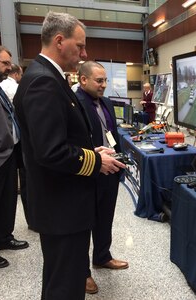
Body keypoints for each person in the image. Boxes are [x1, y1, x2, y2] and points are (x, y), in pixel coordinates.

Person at [13, 11, 125, 300]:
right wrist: (96, 161)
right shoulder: (43, 82)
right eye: (80, 46)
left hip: (61, 202)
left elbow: (61, 138)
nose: (84, 53)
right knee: (66, 285)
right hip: (62, 205)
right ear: (60, 41)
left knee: (63, 278)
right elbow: (51, 151)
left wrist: (90, 150)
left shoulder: (47, 75)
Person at [75, 61, 129, 294]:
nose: (104, 85)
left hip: (110, 169)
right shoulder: (74, 103)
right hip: (88, 171)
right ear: (83, 79)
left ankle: (102, 256)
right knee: (84, 222)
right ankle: (82, 273)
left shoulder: (106, 102)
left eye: (105, 80)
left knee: (105, 216)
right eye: (99, 81)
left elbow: (112, 134)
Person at [0, 44, 29, 269]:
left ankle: (4, 237)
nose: (8, 67)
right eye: (4, 63)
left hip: (8, 153)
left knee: (7, 200)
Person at [0, 63, 30, 228]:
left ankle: (3, 234)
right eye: (3, 62)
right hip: (10, 145)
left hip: (11, 144)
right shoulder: (14, 88)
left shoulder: (0, 87)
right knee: (22, 183)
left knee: (9, 191)